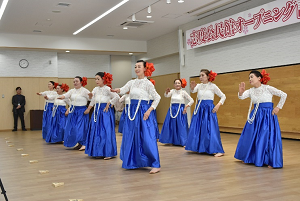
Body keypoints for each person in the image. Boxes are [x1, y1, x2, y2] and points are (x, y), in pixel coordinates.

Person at [111, 60, 161, 174]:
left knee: (147, 138)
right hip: (132, 112)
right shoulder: (131, 82)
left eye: (139, 66)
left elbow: (157, 97)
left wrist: (149, 110)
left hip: (143, 111)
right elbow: (123, 89)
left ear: (145, 69)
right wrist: (117, 90)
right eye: (135, 66)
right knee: (131, 137)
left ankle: (155, 164)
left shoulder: (148, 83)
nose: (136, 68)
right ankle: (134, 161)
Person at [234, 70, 287, 168]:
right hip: (255, 115)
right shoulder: (250, 91)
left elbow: (284, 95)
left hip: (267, 116)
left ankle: (268, 160)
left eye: (251, 77)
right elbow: (241, 97)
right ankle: (250, 157)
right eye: (249, 77)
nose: (250, 79)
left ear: (259, 78)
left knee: (266, 137)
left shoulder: (268, 88)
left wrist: (278, 107)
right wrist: (240, 92)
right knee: (251, 135)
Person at [185, 69, 226, 157]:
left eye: (203, 75)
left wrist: (218, 105)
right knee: (198, 128)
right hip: (200, 109)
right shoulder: (199, 86)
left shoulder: (213, 86)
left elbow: (223, 96)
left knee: (211, 128)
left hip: (209, 109)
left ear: (208, 76)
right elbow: (193, 91)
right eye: (200, 75)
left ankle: (218, 150)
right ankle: (201, 147)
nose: (200, 77)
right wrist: (192, 87)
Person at [85, 72, 119, 159]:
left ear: (104, 79)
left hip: (105, 112)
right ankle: (97, 151)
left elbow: (117, 97)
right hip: (96, 112)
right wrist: (89, 108)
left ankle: (108, 152)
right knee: (96, 131)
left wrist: (110, 102)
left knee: (106, 131)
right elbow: (92, 100)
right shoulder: (95, 89)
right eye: (95, 79)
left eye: (98, 79)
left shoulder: (108, 89)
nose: (96, 81)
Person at [58, 76, 91, 151]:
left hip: (81, 111)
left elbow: (91, 99)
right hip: (73, 111)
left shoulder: (85, 91)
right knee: (72, 128)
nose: (75, 83)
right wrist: (62, 97)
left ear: (81, 82)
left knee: (81, 128)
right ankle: (79, 143)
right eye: (74, 81)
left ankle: (84, 143)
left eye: (76, 81)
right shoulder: (72, 91)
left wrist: (89, 108)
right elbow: (66, 95)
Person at [159, 78, 194, 146]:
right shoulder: (172, 91)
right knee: (171, 124)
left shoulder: (183, 92)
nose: (177, 84)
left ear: (181, 84)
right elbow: (166, 96)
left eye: (178, 83)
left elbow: (191, 100)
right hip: (172, 110)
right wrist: (166, 92)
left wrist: (186, 107)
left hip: (180, 110)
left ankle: (183, 141)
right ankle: (171, 140)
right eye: (176, 83)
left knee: (181, 125)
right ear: (174, 85)